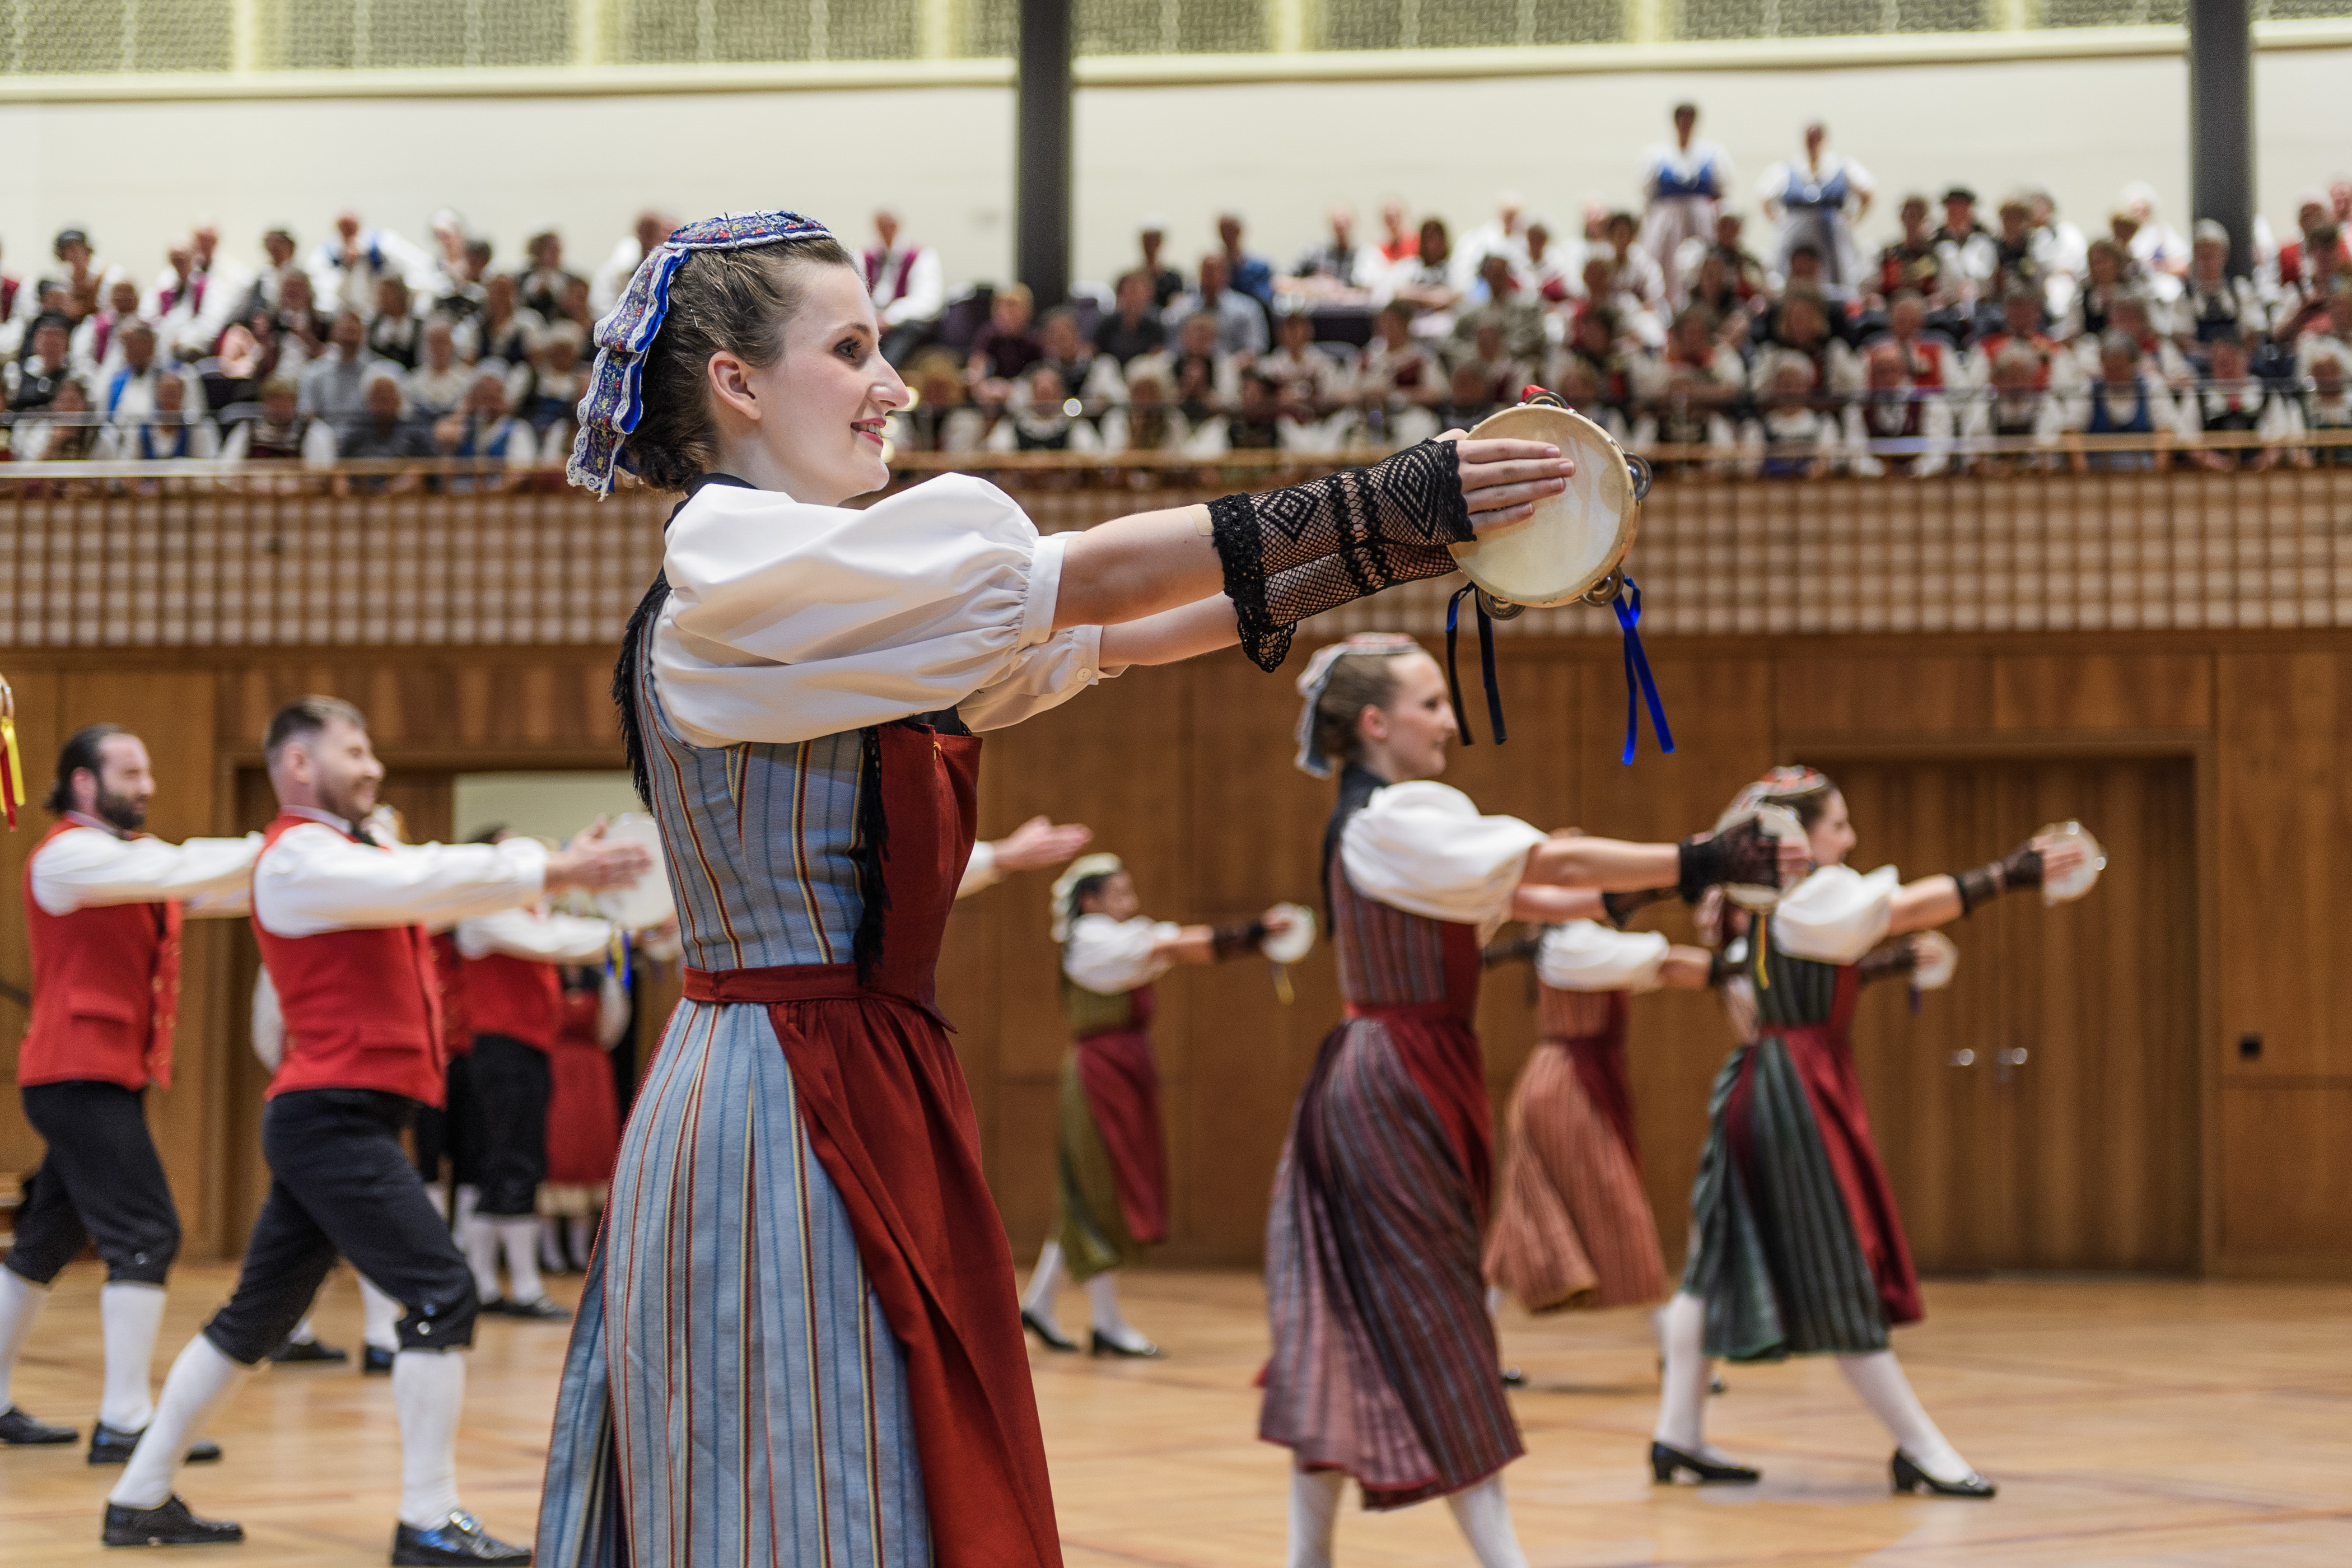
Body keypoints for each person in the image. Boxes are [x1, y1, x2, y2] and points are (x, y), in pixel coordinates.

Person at [533, 207, 1576, 1568]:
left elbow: (1113, 631)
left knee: (873, 1477)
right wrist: (1376, 501)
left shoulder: (840, 600)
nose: (892, 387)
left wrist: (1377, 555)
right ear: (735, 383)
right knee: (795, 1492)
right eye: (851, 350)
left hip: (850, 1070)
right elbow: (1083, 577)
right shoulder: (731, 571)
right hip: (776, 1095)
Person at [1263, 636, 1806, 1568]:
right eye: (1432, 703)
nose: (1450, 720)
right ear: (1375, 723)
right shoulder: (1400, 817)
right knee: (1439, 1317)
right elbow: (1550, 861)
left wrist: (1692, 879)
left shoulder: (1384, 826)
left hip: (1394, 1075)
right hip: (1395, 1086)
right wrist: (1700, 857)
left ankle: (1309, 1561)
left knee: (1357, 1323)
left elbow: (1548, 890)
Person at [99, 696, 647, 1558]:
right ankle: (427, 1517)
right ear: (299, 767)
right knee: (441, 1290)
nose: (374, 768)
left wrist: (555, 882)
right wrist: (547, 868)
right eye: (354, 753)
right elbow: (415, 881)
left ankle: (138, 1498)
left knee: (255, 1319)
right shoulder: (296, 862)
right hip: (331, 1121)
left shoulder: (358, 855)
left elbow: (430, 879)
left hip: (344, 1119)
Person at [1651, 768, 2089, 1498]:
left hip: (1765, 1082)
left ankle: (1678, 1434)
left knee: (1709, 1264)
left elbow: (1809, 969)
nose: (1850, 839)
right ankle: (1922, 1447)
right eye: (1838, 826)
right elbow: (1904, 906)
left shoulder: (1771, 903)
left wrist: (1884, 966)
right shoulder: (1810, 894)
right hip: (1793, 1093)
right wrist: (2014, 872)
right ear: (1798, 837)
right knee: (1837, 1265)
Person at [0, 728, 258, 1461]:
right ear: (83, 782)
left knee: (47, 1238)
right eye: (131, 772)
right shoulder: (68, 856)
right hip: (76, 1074)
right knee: (147, 1233)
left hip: (96, 1074)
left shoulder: (123, 862)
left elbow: (200, 886)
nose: (147, 785)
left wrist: (296, 873)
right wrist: (277, 846)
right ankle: (124, 1421)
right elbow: (176, 870)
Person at [1018, 855, 1293, 1358]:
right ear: (1091, 902)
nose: (1132, 902)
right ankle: (1108, 1324)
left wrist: (1253, 941)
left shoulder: (1120, 940)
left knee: (1091, 1189)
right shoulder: (1094, 940)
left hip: (1122, 1071)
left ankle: (1038, 1304)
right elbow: (1171, 944)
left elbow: (1182, 949)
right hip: (1100, 1075)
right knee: (1101, 1190)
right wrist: (1252, 930)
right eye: (1120, 893)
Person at [1482, 906, 1712, 1334]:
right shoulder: (1575, 942)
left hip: (1559, 1080)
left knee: (1520, 1213)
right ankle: (1669, 1342)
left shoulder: (1574, 944)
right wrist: (1730, 967)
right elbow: (1656, 961)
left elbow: (1653, 971)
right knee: (1618, 1201)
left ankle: (1473, 1342)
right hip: (1567, 1086)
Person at [454, 836, 617, 1319]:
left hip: (522, 1050)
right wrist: (622, 932)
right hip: (502, 1050)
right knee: (513, 1163)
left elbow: (556, 930)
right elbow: (551, 941)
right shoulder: (487, 912)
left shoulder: (525, 914)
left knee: (509, 1164)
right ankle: (521, 1287)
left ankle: (486, 1285)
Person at [1759, 123, 1874, 296]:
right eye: (1809, 138)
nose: (1812, 142)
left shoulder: (1841, 166)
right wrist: (1778, 221)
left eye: (1816, 138)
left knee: (1838, 275)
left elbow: (1868, 193)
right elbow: (1764, 197)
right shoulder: (1787, 168)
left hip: (1831, 234)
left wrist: (1853, 219)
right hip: (1796, 232)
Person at [1639, 103, 1733, 304]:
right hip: (1667, 224)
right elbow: (1647, 197)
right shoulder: (1657, 154)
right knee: (1667, 268)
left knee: (1702, 264)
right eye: (1681, 119)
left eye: (1689, 119)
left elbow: (1723, 193)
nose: (1685, 124)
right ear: (1675, 122)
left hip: (1701, 222)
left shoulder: (1713, 153)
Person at [862, 207, 945, 363]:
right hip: (872, 320)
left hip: (904, 324)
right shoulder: (865, 256)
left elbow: (928, 301)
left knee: (910, 329)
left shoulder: (922, 256)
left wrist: (890, 317)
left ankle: (887, 368)